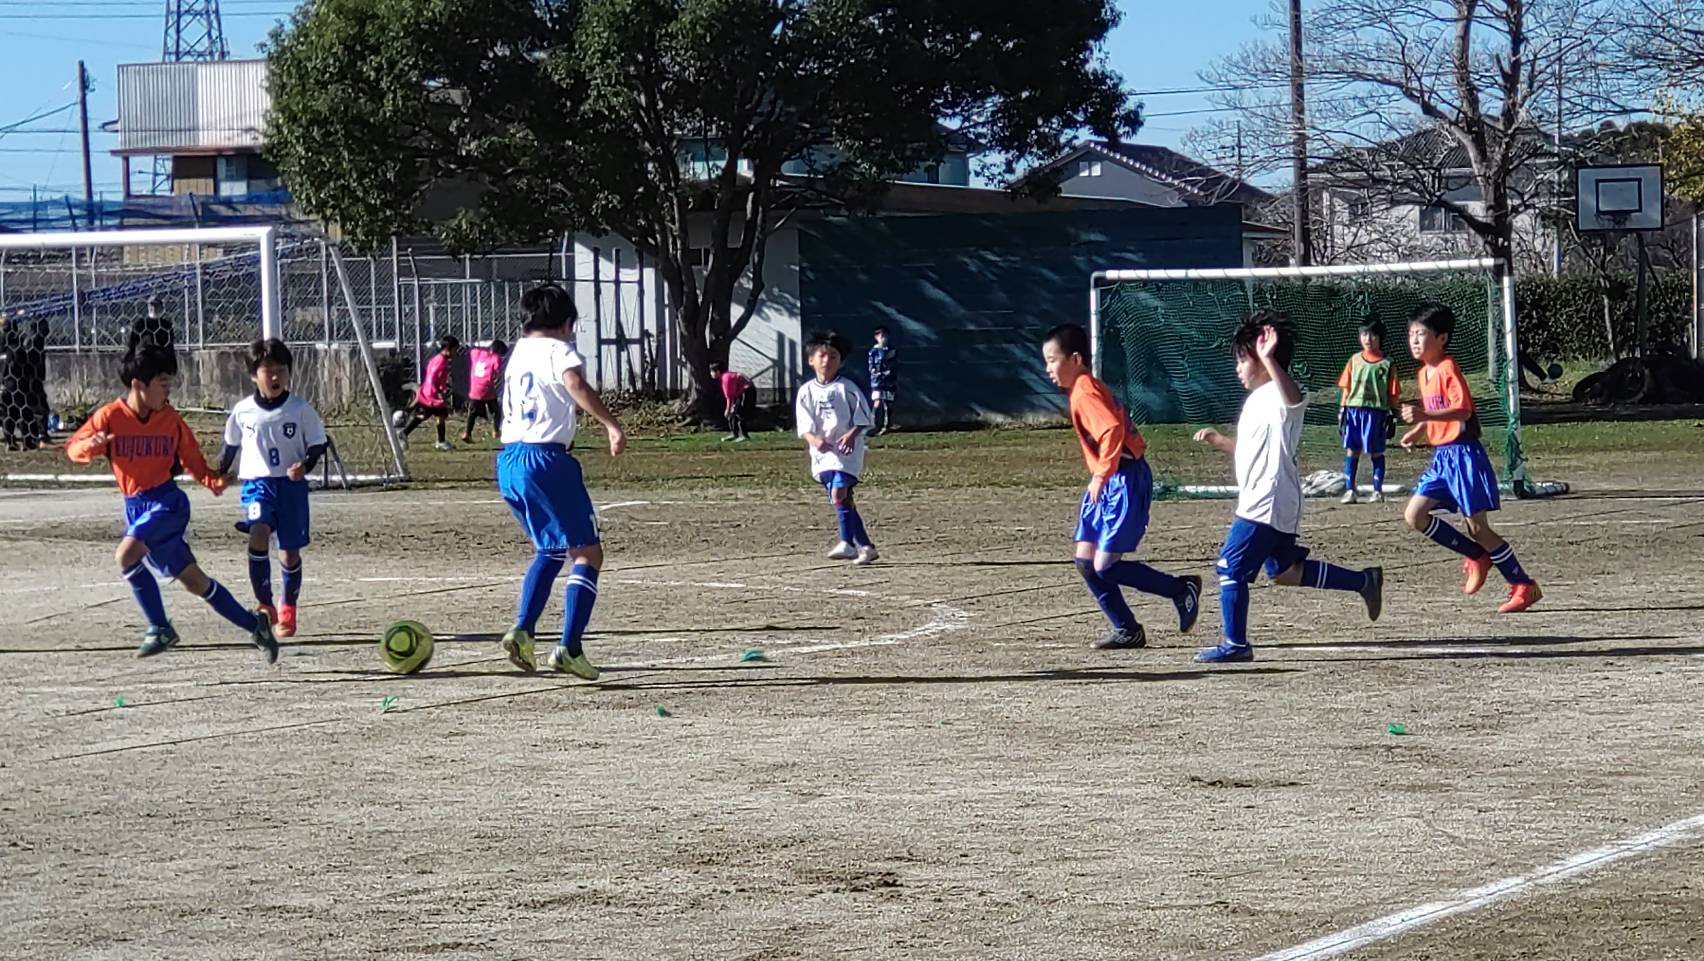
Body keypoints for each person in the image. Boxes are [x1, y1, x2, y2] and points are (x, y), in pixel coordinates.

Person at [64, 344, 279, 662]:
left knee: (125, 556)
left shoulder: (170, 420)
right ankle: (255, 626)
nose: (168, 389)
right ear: (138, 384)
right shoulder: (110, 417)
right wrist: (89, 445)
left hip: (167, 503)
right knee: (195, 581)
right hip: (136, 507)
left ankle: (160, 628)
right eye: (162, 382)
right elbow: (73, 448)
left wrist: (214, 481)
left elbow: (192, 459)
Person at [1191, 313, 1385, 663]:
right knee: (1285, 572)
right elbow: (1254, 449)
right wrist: (1221, 441)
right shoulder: (1257, 400)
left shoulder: (1279, 394)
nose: (1237, 368)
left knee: (1230, 567)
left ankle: (1236, 644)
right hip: (1272, 499)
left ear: (1264, 358)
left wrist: (1268, 358)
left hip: (1266, 500)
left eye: (1242, 359)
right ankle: (1363, 581)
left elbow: (1294, 400)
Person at [496, 284, 627, 680]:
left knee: (551, 549)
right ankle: (570, 648)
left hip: (509, 460)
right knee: (588, 554)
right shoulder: (559, 350)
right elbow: (574, 384)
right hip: (546, 460)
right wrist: (611, 424)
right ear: (567, 324)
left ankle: (523, 630)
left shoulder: (518, 352)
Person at [1042, 324, 1200, 650]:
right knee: (1085, 561)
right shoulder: (1083, 388)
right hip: (1111, 479)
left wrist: (1101, 475)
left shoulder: (1085, 392)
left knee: (1104, 565)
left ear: (1076, 359)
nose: (1048, 369)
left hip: (1124, 479)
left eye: (1052, 360)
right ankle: (1127, 629)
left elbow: (1112, 429)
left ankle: (1180, 590)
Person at [1400, 304, 1542, 613]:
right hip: (1443, 458)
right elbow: (1436, 410)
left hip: (1464, 456)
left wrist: (1424, 416)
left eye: (1421, 334)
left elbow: (1463, 410)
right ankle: (1477, 556)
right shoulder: (1424, 373)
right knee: (1415, 515)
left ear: (1442, 338)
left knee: (1478, 528)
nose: (1414, 340)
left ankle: (1523, 584)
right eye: (1411, 334)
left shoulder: (1448, 368)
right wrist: (1419, 430)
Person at [218, 339, 329, 639]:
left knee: (289, 554)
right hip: (257, 484)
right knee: (258, 532)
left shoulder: (300, 409)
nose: (276, 376)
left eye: (282, 370)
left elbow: (317, 444)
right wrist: (219, 472)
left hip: (291, 488)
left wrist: (305, 466)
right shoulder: (243, 411)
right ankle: (265, 604)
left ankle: (288, 606)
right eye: (268, 370)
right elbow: (230, 445)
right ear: (254, 375)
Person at [796, 330, 879, 566]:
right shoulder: (806, 391)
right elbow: (804, 425)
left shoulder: (847, 388)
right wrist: (814, 440)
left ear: (841, 362)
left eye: (833, 356)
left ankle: (846, 543)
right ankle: (866, 547)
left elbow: (863, 417)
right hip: (822, 453)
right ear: (811, 360)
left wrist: (851, 435)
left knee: (839, 492)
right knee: (842, 500)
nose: (827, 361)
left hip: (846, 452)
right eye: (822, 355)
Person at [1336, 317, 1401, 504]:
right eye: (1364, 334)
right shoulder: (1354, 360)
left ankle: (1377, 491)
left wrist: (1394, 415)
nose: (1368, 339)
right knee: (1352, 450)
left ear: (1380, 338)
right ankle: (1350, 490)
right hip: (1354, 411)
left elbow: (1393, 392)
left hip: (1376, 413)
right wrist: (1342, 410)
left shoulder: (1387, 364)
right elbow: (1346, 387)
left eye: (1373, 335)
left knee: (1376, 452)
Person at [400, 335, 459, 450]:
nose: (455, 352)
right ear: (448, 349)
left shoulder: (437, 359)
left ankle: (405, 433)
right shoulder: (441, 362)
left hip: (427, 392)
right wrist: (439, 392)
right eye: (454, 350)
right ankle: (440, 441)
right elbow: (433, 378)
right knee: (438, 415)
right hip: (432, 395)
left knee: (427, 415)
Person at [461, 338, 507, 444]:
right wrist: (497, 378)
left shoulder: (477, 353)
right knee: (496, 411)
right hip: (487, 389)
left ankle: (467, 433)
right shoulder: (496, 358)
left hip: (474, 389)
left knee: (472, 413)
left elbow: (472, 350)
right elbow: (497, 372)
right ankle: (496, 430)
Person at [867, 326, 898, 435]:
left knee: (887, 402)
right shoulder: (873, 351)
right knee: (877, 400)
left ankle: (887, 425)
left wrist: (889, 371)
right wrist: (876, 371)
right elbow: (871, 366)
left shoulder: (892, 350)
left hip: (889, 381)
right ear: (876, 337)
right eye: (881, 336)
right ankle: (874, 425)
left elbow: (894, 364)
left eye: (885, 336)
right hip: (877, 381)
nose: (884, 338)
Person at [714, 361, 754, 442]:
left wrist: (727, 410)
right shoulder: (725, 376)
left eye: (712, 371)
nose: (711, 373)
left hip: (747, 391)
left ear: (717, 371)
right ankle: (734, 434)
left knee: (740, 413)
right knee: (733, 413)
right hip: (740, 393)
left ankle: (744, 435)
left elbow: (729, 397)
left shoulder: (726, 378)